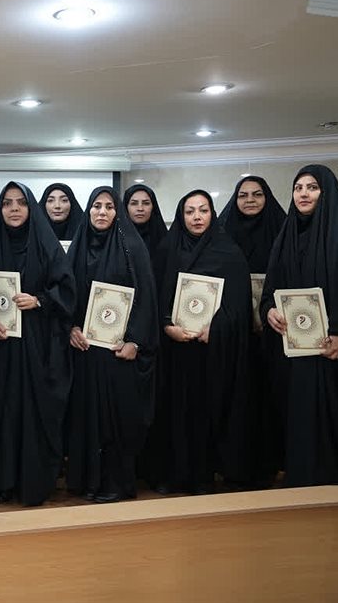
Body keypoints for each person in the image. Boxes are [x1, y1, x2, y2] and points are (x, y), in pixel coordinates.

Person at [147, 190, 252, 494]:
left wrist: (215, 329)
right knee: (172, 412)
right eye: (190, 211)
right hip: (173, 351)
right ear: (181, 216)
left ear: (212, 214)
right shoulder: (166, 250)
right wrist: (166, 326)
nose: (196, 217)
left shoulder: (228, 252)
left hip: (210, 352)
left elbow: (239, 306)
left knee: (204, 412)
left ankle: (203, 476)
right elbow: (154, 297)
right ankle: (173, 474)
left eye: (203, 210)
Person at [0, 182, 75, 505]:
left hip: (38, 347)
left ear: (31, 207)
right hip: (0, 348)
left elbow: (67, 290)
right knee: (3, 412)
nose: (14, 209)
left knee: (35, 413)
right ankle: (3, 481)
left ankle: (33, 483)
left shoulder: (47, 246)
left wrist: (39, 301)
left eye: (21, 203)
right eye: (7, 203)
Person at [64, 187, 159, 502]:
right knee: (86, 418)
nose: (102, 212)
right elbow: (65, 295)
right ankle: (86, 481)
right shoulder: (77, 248)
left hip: (118, 354)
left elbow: (146, 298)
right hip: (85, 351)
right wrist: (70, 327)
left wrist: (136, 341)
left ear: (118, 212)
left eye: (108, 206)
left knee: (116, 419)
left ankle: (115, 484)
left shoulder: (133, 247)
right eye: (96, 206)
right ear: (88, 211)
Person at [261, 165, 338, 486]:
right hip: (296, 349)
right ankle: (303, 480)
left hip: (335, 349)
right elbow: (272, 287)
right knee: (300, 412)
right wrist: (269, 310)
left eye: (312, 187)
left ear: (326, 192)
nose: (303, 194)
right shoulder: (286, 236)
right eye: (298, 188)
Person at [219, 176, 287, 486]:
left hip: (274, 334)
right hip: (234, 337)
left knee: (270, 398)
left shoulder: (283, 233)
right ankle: (233, 465)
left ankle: (271, 463)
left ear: (267, 198)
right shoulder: (222, 234)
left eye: (257, 194)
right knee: (237, 397)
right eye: (243, 195)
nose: (250, 200)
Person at [122, 184, 168, 260]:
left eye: (146, 203)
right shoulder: (116, 239)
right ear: (126, 207)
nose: (140, 208)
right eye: (134, 203)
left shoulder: (165, 240)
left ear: (153, 207)